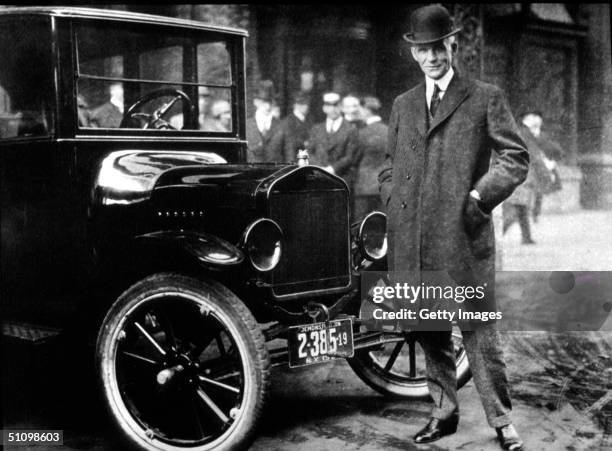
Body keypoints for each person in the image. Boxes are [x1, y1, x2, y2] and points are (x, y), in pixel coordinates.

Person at [378, 5, 528, 450]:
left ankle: (502, 422)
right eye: (421, 50)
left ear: (453, 45)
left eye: (437, 48)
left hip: (463, 237)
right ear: (413, 54)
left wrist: (480, 198)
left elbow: (514, 158)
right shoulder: (403, 105)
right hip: (413, 238)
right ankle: (443, 413)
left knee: (479, 333)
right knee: (430, 332)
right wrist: (393, 201)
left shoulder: (484, 96)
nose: (430, 58)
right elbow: (389, 167)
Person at [307, 92, 361, 215]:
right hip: (318, 180)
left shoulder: (350, 129)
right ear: (324, 108)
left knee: (338, 216)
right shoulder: (316, 129)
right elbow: (310, 151)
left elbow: (350, 156)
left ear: (341, 107)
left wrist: (332, 169)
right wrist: (319, 168)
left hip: (340, 180)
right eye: (329, 106)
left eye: (336, 105)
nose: (333, 109)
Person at [521, 111, 563, 222]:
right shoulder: (525, 133)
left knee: (539, 191)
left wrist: (550, 158)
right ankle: (526, 213)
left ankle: (535, 213)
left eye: (539, 120)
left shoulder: (542, 134)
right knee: (529, 190)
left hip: (541, 163)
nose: (537, 122)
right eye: (534, 119)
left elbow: (550, 147)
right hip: (530, 164)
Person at [354, 96, 387, 219]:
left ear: (367, 110)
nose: (359, 112)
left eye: (360, 109)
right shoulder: (388, 130)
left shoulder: (361, 133)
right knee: (380, 223)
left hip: (364, 187)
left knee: (361, 225)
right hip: (383, 185)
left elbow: (354, 158)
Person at [246, 81, 282, 162]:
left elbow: (287, 152)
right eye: (264, 102)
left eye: (270, 102)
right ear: (256, 102)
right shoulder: (247, 125)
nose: (268, 106)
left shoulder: (281, 125)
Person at [275, 91, 311, 163]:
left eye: (306, 104)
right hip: (294, 162)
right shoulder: (288, 122)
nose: (306, 106)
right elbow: (289, 147)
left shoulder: (309, 120)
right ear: (296, 105)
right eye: (302, 104)